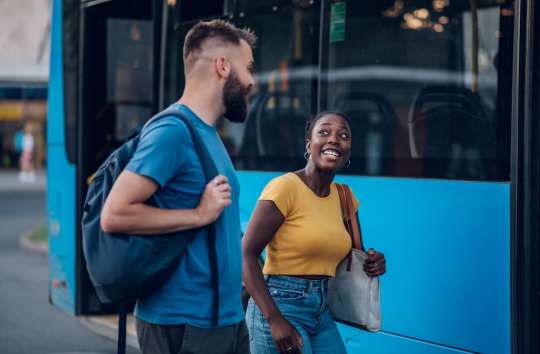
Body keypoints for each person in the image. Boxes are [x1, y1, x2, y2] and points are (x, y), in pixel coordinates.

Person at [100, 20, 256, 354]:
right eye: (248, 68)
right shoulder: (171, 132)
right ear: (223, 66)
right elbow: (114, 215)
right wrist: (199, 214)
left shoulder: (207, 133)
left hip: (225, 320)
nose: (252, 80)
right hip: (183, 323)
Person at [242, 111, 387, 354]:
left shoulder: (344, 196)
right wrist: (274, 320)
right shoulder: (285, 187)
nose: (334, 139)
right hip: (279, 304)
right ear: (309, 144)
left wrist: (374, 262)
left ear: (349, 151)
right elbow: (245, 255)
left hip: (321, 310)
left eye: (343, 135)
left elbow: (351, 255)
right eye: (324, 132)